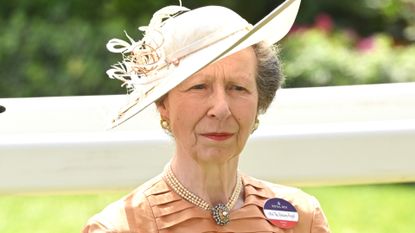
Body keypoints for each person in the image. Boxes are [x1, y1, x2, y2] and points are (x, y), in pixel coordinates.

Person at [83, 0, 331, 232]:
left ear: (259, 103)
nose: (221, 108)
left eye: (238, 88)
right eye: (199, 87)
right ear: (163, 104)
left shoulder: (302, 218)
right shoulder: (121, 227)